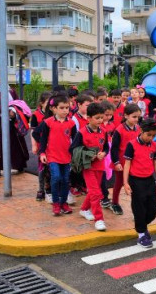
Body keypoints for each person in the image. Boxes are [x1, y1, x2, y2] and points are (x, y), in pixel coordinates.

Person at [123, 118, 156, 248]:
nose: (150, 138)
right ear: (141, 131)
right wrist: (126, 183)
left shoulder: (154, 146)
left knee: (153, 209)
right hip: (136, 181)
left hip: (149, 180)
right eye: (148, 135)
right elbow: (127, 164)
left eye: (153, 135)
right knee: (139, 208)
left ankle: (142, 225)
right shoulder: (132, 145)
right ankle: (141, 233)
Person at [35, 95, 77, 216]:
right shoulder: (47, 122)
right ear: (54, 108)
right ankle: (56, 203)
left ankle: (64, 203)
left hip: (66, 156)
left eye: (67, 108)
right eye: (62, 108)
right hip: (52, 156)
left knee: (65, 180)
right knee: (56, 177)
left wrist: (76, 152)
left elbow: (75, 139)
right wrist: (42, 152)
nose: (65, 110)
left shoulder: (71, 123)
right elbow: (41, 138)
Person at [70, 102, 108, 231]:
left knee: (93, 191)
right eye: (97, 118)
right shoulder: (81, 133)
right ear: (89, 118)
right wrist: (87, 154)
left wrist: (104, 153)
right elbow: (73, 148)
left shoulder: (104, 131)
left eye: (102, 118)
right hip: (88, 167)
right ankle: (99, 219)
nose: (100, 120)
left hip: (100, 166)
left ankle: (84, 209)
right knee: (96, 192)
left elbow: (107, 147)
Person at [0, 70, 29, 178]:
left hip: (12, 122)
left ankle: (19, 165)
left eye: (4, 76)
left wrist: (13, 112)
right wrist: (6, 109)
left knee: (16, 144)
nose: (2, 79)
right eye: (0, 77)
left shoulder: (11, 90)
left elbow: (18, 103)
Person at [108, 103, 142, 215]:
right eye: (134, 117)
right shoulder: (119, 130)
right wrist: (116, 162)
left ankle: (137, 205)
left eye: (138, 117)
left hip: (135, 162)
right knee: (119, 183)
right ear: (126, 116)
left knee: (135, 184)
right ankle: (115, 203)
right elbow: (114, 148)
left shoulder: (138, 129)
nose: (136, 119)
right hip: (122, 162)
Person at [99, 101, 116, 209]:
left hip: (108, 149)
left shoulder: (111, 125)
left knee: (106, 171)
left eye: (110, 115)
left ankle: (103, 195)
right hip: (100, 149)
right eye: (106, 114)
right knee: (101, 173)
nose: (108, 117)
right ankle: (103, 196)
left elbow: (112, 137)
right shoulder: (97, 124)